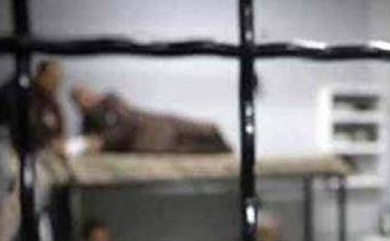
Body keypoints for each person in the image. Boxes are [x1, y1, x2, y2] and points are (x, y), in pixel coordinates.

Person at [70, 85, 230, 153]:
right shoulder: (88, 122)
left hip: (152, 126)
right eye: (80, 100)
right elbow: (89, 141)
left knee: (199, 130)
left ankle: (217, 140)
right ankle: (217, 146)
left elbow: (127, 123)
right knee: (188, 147)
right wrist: (92, 143)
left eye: (85, 96)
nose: (85, 102)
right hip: (147, 142)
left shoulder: (110, 101)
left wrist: (101, 141)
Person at [0, 60, 66, 155]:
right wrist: (49, 143)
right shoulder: (23, 92)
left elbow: (58, 121)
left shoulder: (49, 97)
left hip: (46, 149)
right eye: (53, 78)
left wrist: (60, 139)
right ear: (41, 75)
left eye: (58, 80)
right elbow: (28, 125)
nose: (56, 84)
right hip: (17, 148)